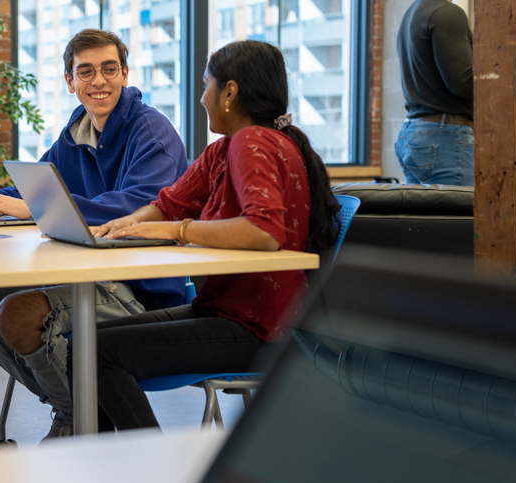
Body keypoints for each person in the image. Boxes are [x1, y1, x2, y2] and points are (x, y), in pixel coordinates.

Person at [91, 40, 338, 431]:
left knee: (98, 353)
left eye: (206, 85)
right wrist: (129, 224)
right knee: (85, 343)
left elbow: (264, 231)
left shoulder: (252, 142)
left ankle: (152, 471)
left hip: (261, 328)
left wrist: (178, 231)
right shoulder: (226, 148)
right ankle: (101, 461)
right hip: (230, 312)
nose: (202, 97)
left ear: (230, 92)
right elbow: (170, 203)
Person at [0, 29, 187, 440]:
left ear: (126, 73)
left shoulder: (152, 131)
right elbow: (42, 187)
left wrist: (32, 207)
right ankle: (78, 413)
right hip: (87, 273)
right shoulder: (76, 132)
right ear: (70, 81)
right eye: (86, 72)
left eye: (109, 69)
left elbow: (137, 207)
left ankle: (78, 425)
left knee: (18, 314)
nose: (99, 81)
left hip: (143, 287)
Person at [394, 0, 474, 186]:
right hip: (445, 137)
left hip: (415, 135)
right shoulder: (446, 12)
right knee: (459, 225)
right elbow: (463, 83)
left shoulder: (411, 15)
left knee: (428, 225)